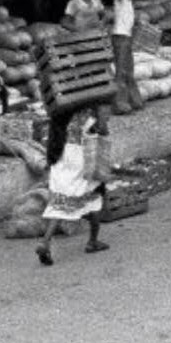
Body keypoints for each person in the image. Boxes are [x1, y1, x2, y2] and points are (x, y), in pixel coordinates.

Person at [36, 110, 108, 265]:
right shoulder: (88, 115)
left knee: (60, 203)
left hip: (60, 157)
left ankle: (45, 242)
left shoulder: (59, 116)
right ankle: (93, 241)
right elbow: (103, 131)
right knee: (94, 196)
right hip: (81, 158)